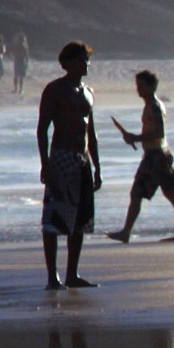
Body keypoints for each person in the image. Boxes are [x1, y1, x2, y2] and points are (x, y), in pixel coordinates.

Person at [37, 40, 103, 289]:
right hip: (62, 157)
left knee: (80, 220)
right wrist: (45, 163)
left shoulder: (88, 92)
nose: (86, 64)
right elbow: (42, 129)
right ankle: (52, 277)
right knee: (54, 218)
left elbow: (91, 132)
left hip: (82, 160)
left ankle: (72, 274)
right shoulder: (55, 90)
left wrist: (97, 166)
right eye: (81, 60)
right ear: (67, 63)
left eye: (87, 60)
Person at [108, 70, 174, 243]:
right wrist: (136, 138)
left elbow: (158, 133)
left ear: (152, 86)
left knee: (137, 193)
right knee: (170, 192)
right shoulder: (152, 105)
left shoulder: (154, 106)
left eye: (142, 85)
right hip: (160, 155)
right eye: (137, 86)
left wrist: (135, 138)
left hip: (155, 156)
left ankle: (126, 232)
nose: (138, 89)